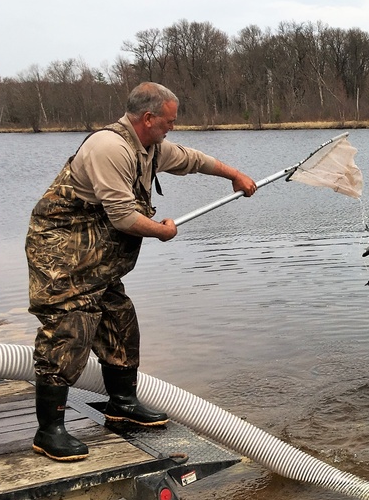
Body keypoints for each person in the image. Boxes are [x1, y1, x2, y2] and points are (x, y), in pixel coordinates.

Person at [25, 82, 257, 461]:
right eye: (168, 122)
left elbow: (193, 160)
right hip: (61, 252)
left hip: (94, 259)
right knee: (69, 329)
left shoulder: (149, 147)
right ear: (148, 118)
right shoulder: (110, 148)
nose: (172, 128)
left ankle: (122, 403)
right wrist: (162, 231)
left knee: (120, 320)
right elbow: (122, 217)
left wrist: (234, 174)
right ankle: (48, 431)